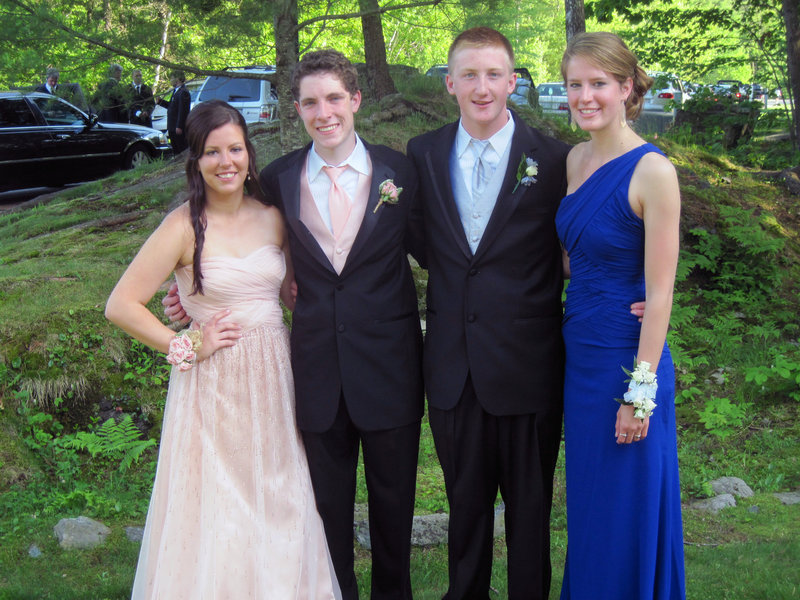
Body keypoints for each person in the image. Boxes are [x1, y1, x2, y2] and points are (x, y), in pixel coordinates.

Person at [165, 50, 424, 600]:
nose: (323, 112)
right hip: (313, 376)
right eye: (310, 102)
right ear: (297, 109)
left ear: (355, 100)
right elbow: (234, 239)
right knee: (323, 515)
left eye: (334, 98)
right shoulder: (278, 180)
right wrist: (189, 291)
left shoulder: (400, 172)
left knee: (393, 510)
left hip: (390, 370)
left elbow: (440, 253)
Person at [105, 100, 340, 599]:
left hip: (274, 379)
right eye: (212, 152)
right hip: (213, 387)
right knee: (218, 506)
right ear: (196, 162)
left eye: (235, 148)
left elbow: (289, 294)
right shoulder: (183, 226)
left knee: (280, 498)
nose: (226, 161)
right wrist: (188, 343)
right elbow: (121, 305)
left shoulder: (275, 218)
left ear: (249, 155)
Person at [406, 27, 570, 599]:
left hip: (528, 368)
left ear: (513, 81)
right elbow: (421, 240)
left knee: (530, 515)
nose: (482, 87)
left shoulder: (553, 158)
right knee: (465, 513)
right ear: (450, 83)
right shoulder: (422, 154)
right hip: (453, 369)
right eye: (469, 75)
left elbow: (577, 242)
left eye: (494, 74)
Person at [556, 32, 685, 599]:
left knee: (625, 509)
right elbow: (574, 256)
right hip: (578, 355)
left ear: (626, 88)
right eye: (575, 85)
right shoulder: (574, 158)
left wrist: (641, 392)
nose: (585, 97)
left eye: (598, 84)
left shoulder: (654, 171)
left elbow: (660, 294)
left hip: (626, 364)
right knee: (590, 509)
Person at [157, 70, 191, 154]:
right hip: (172, 126)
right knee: (175, 149)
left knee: (181, 149)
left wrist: (179, 126)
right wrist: (160, 102)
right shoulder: (176, 91)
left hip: (177, 127)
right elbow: (172, 106)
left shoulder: (183, 92)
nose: (170, 80)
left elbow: (183, 111)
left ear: (178, 79)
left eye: (171, 78)